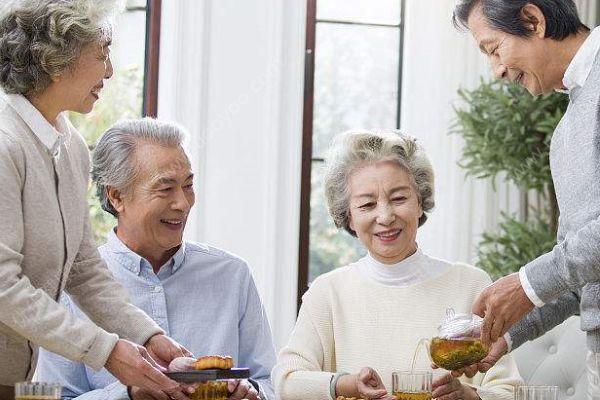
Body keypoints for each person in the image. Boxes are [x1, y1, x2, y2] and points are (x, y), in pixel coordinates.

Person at [0, 1, 191, 398]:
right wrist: (105, 351)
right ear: (56, 60)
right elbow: (3, 286)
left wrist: (149, 335)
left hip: (14, 377)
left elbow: (83, 269)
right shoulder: (5, 145)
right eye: (102, 52)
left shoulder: (70, 147)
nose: (109, 70)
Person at [34, 118, 277, 400]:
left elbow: (270, 382)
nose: (183, 203)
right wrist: (128, 394)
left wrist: (253, 392)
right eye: (165, 188)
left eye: (188, 185)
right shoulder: (68, 286)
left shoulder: (232, 274)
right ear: (116, 196)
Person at [272, 130, 522, 400]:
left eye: (399, 198)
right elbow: (287, 381)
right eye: (367, 204)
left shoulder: (471, 284)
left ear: (420, 202)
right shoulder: (329, 292)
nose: (385, 216)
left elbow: (509, 392)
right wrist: (346, 385)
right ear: (349, 217)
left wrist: (469, 396)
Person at [452, 1, 600, 396]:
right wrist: (508, 335)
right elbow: (578, 271)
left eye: (493, 48)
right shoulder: (566, 134)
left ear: (533, 21)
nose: (497, 70)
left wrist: (526, 283)